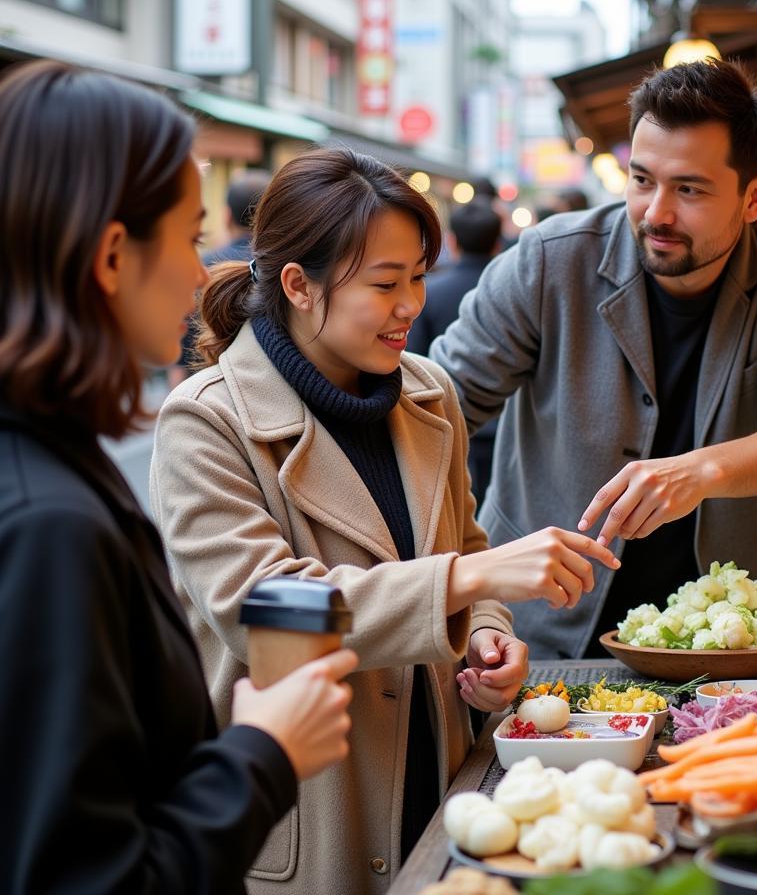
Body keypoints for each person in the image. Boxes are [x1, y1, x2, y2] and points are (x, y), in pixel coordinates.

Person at [148, 146, 619, 895]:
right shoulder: (206, 422)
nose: (412, 305)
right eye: (385, 283)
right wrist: (472, 579)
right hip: (316, 812)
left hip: (447, 785)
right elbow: (260, 608)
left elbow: (462, 540)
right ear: (299, 285)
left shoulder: (427, 391)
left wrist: (490, 633)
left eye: (419, 278)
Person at [0, 60, 356, 894]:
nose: (203, 274)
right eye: (191, 236)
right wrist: (262, 753)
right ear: (113, 255)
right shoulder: (46, 520)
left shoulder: (50, 459)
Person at [430, 58, 757, 660]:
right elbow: (432, 409)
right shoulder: (550, 259)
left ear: (754, 196)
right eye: (641, 180)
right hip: (544, 635)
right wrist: (469, 583)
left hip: (726, 636)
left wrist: (703, 471)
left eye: (688, 189)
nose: (655, 212)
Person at [408, 198, 503, 502]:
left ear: (452, 241)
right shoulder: (510, 291)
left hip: (447, 417)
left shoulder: (430, 291)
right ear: (497, 243)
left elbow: (414, 359)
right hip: (505, 427)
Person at [172, 168, 273, 384]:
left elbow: (182, 350)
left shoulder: (202, 266)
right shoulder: (283, 268)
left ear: (226, 216)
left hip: (200, 385)